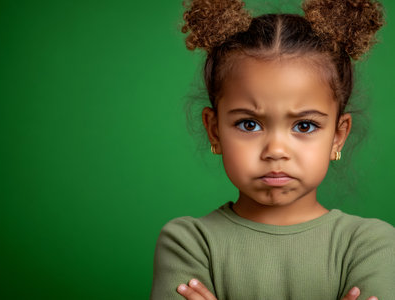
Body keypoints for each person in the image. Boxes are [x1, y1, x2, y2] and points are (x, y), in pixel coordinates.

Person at [150, 0, 395, 299]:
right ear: (214, 130)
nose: (276, 151)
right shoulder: (188, 243)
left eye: (304, 126)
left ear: (337, 137)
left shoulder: (370, 244)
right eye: (249, 124)